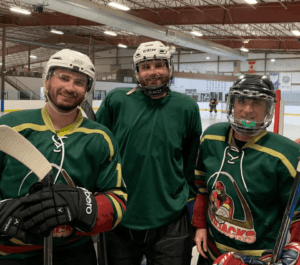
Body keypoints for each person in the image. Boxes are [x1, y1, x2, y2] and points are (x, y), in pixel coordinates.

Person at [0, 49, 127, 265]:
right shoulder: (10, 128)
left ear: (87, 90)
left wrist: (87, 208)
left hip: (75, 251)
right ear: (47, 81)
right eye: (63, 78)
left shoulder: (101, 137)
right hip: (12, 254)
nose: (70, 87)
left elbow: (117, 198)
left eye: (79, 82)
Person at [96, 41, 202, 265]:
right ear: (137, 72)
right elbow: (99, 151)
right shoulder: (117, 101)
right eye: (146, 67)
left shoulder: (187, 107)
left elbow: (191, 160)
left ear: (169, 68)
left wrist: (192, 207)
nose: (153, 72)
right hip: (121, 215)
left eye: (159, 65)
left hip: (171, 216)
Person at [193, 74, 300, 265]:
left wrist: (297, 245)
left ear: (269, 108)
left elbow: (297, 210)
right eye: (242, 100)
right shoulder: (211, 137)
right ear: (232, 103)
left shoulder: (286, 154)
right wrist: (200, 225)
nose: (248, 110)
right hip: (211, 251)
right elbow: (202, 187)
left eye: (257, 102)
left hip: (258, 257)